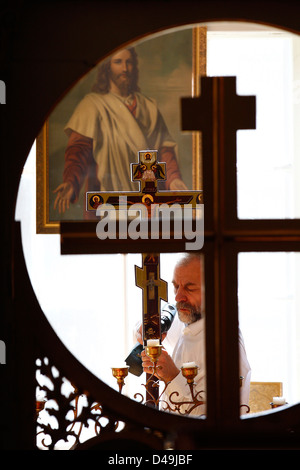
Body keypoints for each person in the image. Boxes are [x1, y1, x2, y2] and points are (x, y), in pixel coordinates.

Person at [53, 47, 187, 215]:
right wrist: (71, 181)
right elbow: (79, 150)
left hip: (146, 201)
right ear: (107, 67)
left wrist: (174, 179)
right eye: (118, 62)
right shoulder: (93, 105)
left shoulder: (149, 107)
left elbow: (164, 151)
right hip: (108, 202)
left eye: (129, 62)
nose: (125, 68)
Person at [139, 253, 251, 416]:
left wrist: (172, 376)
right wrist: (146, 330)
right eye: (176, 286)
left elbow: (213, 421)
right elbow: (141, 329)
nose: (178, 297)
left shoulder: (227, 345)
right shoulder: (190, 319)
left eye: (190, 288)